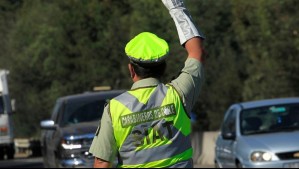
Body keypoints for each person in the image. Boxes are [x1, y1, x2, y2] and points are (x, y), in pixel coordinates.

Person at [89, 0, 205, 168]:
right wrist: (177, 7)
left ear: (131, 70)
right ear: (164, 67)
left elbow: (101, 162)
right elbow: (197, 52)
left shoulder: (114, 110)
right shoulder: (179, 94)